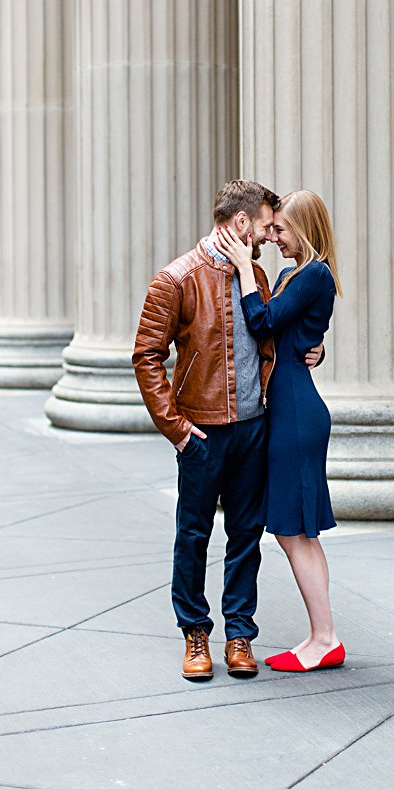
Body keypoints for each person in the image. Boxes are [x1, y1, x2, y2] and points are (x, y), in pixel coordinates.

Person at [134, 179, 283, 682]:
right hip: (201, 432)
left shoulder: (256, 277)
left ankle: (239, 633)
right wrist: (175, 428)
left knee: (246, 535)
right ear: (241, 223)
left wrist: (310, 352)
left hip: (253, 428)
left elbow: (266, 337)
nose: (267, 235)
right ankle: (195, 633)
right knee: (193, 534)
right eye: (263, 225)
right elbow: (146, 357)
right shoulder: (175, 278)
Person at [214, 188, 344, 672]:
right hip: (288, 407)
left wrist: (245, 269)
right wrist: (314, 345)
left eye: (281, 229)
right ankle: (323, 635)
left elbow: (261, 319)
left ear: (304, 230)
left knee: (295, 533)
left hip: (295, 415)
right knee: (298, 534)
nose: (275, 237)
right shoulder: (295, 274)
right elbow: (292, 334)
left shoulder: (314, 274)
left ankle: (324, 637)